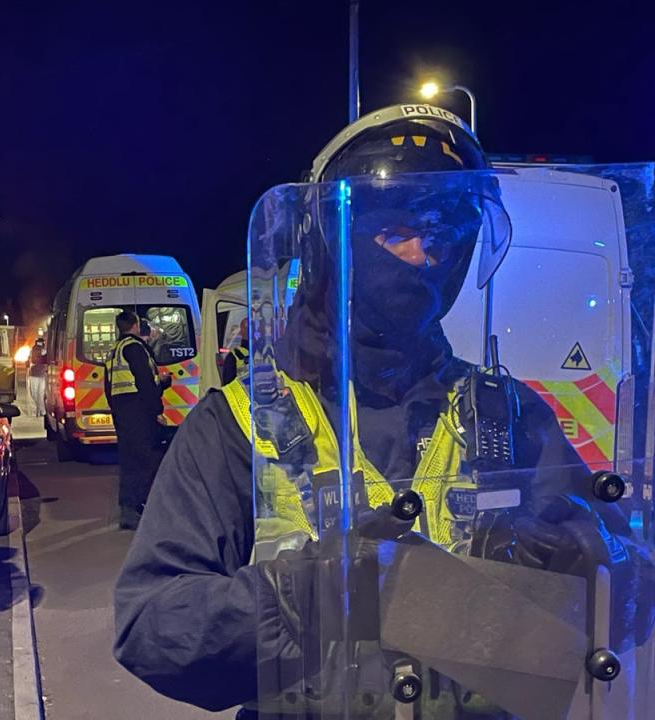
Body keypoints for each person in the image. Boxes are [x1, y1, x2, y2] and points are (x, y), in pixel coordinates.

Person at [113, 106, 654, 717]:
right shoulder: (239, 423)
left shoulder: (508, 415)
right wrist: (304, 596)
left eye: (445, 237)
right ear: (332, 245)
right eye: (395, 232)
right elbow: (150, 625)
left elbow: (624, 607)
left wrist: (603, 567)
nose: (424, 256)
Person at [105, 310, 167, 530]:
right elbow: (144, 381)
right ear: (135, 325)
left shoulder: (115, 350)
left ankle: (130, 510)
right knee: (149, 460)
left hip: (124, 412)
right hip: (139, 411)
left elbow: (109, 386)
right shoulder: (135, 347)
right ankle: (147, 508)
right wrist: (156, 410)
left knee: (131, 461)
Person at [221, 317, 249, 386]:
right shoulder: (228, 353)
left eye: (238, 334)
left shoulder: (246, 350)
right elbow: (223, 355)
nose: (236, 336)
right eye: (233, 335)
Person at [28, 337, 47, 417]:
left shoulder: (44, 351)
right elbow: (31, 360)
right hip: (34, 374)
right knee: (35, 394)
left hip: (41, 375)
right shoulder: (32, 350)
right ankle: (40, 410)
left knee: (39, 394)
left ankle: (42, 411)